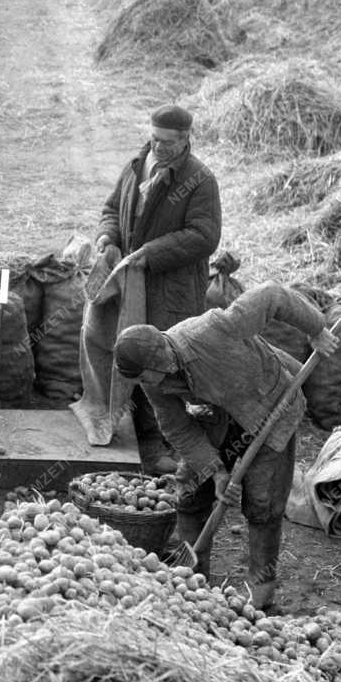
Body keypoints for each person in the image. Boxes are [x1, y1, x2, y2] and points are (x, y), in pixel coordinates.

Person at [113, 283, 339, 612]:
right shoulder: (154, 379)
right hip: (219, 414)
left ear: (160, 357)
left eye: (143, 377)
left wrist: (316, 328)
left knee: (262, 503)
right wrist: (216, 472)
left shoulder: (214, 328)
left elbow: (272, 295)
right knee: (190, 491)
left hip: (271, 403)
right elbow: (176, 426)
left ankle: (261, 587)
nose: (143, 385)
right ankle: (193, 571)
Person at [95, 104, 222, 473]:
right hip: (131, 283)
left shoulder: (200, 180)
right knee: (124, 350)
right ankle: (127, 426)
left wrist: (151, 253)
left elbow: (204, 236)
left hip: (171, 289)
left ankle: (161, 444)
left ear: (185, 140)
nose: (159, 147)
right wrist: (107, 237)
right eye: (154, 139)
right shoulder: (137, 166)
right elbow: (111, 207)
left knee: (162, 363)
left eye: (167, 142)